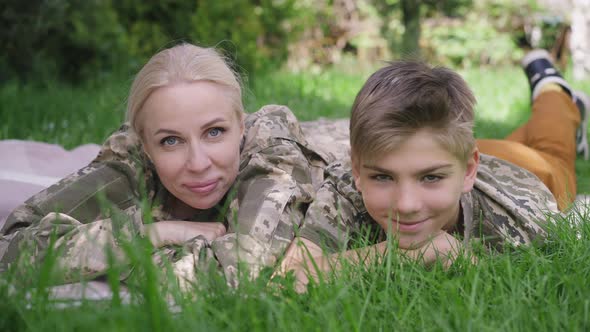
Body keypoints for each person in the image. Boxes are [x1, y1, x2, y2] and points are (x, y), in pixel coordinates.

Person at [0, 43, 339, 288]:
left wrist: (106, 258)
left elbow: (243, 276)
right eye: (170, 141)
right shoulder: (132, 162)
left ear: (241, 125)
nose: (198, 163)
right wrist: (148, 235)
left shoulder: (272, 154)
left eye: (215, 132)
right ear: (145, 145)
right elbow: (10, 252)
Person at [277, 50, 589, 290]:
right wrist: (400, 254)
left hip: (528, 169)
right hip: (440, 151)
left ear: (469, 171)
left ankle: (555, 92)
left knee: (553, 148)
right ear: (357, 169)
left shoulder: (525, 219)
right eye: (382, 177)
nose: (407, 205)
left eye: (430, 178)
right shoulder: (348, 186)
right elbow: (283, 282)